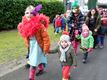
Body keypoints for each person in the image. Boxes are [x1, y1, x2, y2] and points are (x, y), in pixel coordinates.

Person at [17, 4, 50, 80]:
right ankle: (41, 68)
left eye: (31, 13)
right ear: (24, 14)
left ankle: (31, 77)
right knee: (36, 59)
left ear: (34, 14)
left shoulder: (39, 25)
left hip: (38, 45)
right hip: (31, 45)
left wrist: (46, 48)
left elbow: (46, 37)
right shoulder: (23, 24)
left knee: (33, 62)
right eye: (27, 13)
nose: (29, 15)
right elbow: (25, 36)